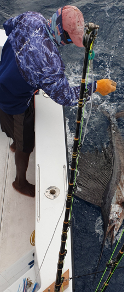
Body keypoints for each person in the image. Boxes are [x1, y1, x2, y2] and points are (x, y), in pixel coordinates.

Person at [0, 6, 116, 198]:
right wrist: (96, 86)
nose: (70, 43)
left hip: (4, 77)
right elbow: (66, 97)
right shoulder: (50, 61)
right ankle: (19, 181)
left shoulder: (32, 17)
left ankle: (15, 139)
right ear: (62, 34)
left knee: (16, 128)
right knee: (25, 144)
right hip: (12, 102)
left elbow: (9, 26)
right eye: (70, 38)